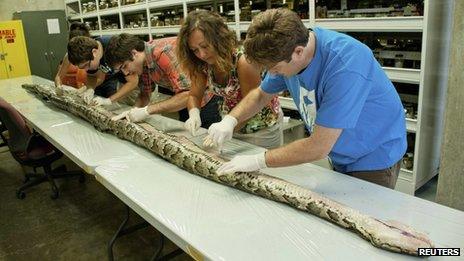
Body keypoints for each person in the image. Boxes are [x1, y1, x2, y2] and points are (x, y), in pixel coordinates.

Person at [208, 8, 407, 189]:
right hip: (339, 151)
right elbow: (261, 94)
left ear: (299, 52)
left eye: (275, 69)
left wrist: (260, 160)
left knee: (359, 220)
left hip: (373, 157)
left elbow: (318, 147)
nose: (273, 74)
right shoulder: (288, 50)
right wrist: (230, 120)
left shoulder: (346, 65)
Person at [176, 10, 283, 148]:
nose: (201, 54)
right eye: (195, 50)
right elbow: (194, 96)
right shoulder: (202, 64)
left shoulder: (243, 61)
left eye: (204, 46)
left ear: (218, 38)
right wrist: (194, 114)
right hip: (231, 124)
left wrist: (228, 126)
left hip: (260, 128)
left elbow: (253, 104)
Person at [107, 33, 221, 129]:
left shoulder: (164, 53)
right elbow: (144, 95)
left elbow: (188, 94)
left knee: (208, 141)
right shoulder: (143, 64)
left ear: (133, 53)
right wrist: (132, 113)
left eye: (124, 66)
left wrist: (147, 111)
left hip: (204, 101)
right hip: (183, 103)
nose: (126, 73)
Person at [63, 35, 140, 106]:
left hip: (139, 81)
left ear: (94, 52)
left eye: (87, 65)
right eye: (83, 67)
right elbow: (91, 75)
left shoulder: (113, 50)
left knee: (133, 108)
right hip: (120, 80)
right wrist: (90, 88)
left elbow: (133, 82)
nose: (86, 69)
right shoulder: (88, 55)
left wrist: (109, 100)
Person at [54, 22, 89, 89]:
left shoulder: (94, 53)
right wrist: (58, 86)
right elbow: (58, 77)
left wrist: (89, 88)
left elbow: (99, 78)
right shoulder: (69, 56)